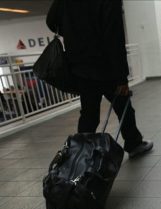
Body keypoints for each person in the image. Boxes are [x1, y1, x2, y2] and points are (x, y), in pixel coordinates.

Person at [46, 0, 152, 158]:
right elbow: (114, 36)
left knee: (89, 114)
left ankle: (81, 154)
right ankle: (134, 143)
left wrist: (73, 33)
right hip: (106, 66)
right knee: (124, 108)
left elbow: (51, 21)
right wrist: (122, 77)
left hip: (80, 66)